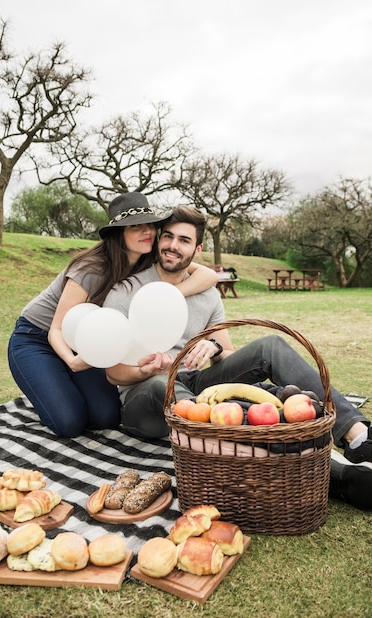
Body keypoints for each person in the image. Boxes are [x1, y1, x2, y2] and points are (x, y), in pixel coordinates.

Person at [104, 205, 372, 510]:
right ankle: (337, 477)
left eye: (184, 240)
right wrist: (145, 370)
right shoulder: (127, 290)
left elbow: (227, 355)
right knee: (163, 383)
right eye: (168, 237)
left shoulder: (206, 295)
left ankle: (358, 437)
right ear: (158, 240)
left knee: (269, 346)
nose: (173, 246)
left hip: (192, 382)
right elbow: (113, 374)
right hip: (144, 400)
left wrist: (215, 348)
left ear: (198, 248)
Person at [7, 192, 218, 438]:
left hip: (88, 341)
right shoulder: (91, 268)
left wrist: (168, 296)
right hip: (38, 338)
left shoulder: (148, 256)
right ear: (120, 232)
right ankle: (51, 388)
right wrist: (72, 362)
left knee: (106, 417)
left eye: (150, 224)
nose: (147, 231)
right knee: (69, 422)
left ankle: (61, 387)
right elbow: (56, 328)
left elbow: (209, 275)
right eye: (136, 227)